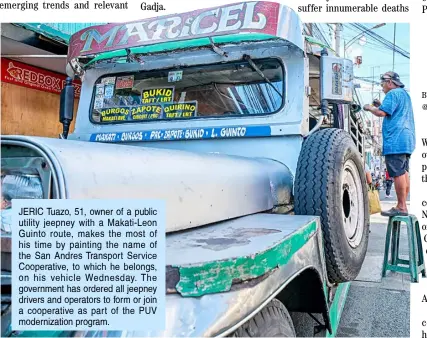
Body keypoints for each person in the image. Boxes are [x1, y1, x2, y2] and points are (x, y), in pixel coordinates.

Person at [363, 71, 415, 216]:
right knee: (404, 172)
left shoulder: (392, 94)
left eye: (382, 84)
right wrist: (380, 105)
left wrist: (369, 107)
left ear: (390, 82)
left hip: (396, 140)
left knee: (397, 173)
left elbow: (381, 113)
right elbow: (392, 111)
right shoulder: (404, 95)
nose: (382, 87)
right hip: (407, 139)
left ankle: (401, 206)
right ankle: (402, 205)